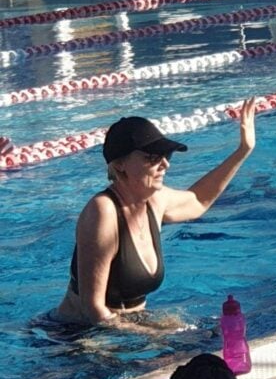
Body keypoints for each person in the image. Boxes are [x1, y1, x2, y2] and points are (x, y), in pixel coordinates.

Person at [53, 98, 257, 327]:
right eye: (152, 157)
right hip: (75, 337)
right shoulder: (103, 212)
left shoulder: (154, 201)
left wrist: (243, 151)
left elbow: (198, 201)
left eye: (166, 156)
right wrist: (153, 336)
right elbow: (94, 310)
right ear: (120, 165)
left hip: (124, 326)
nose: (165, 165)